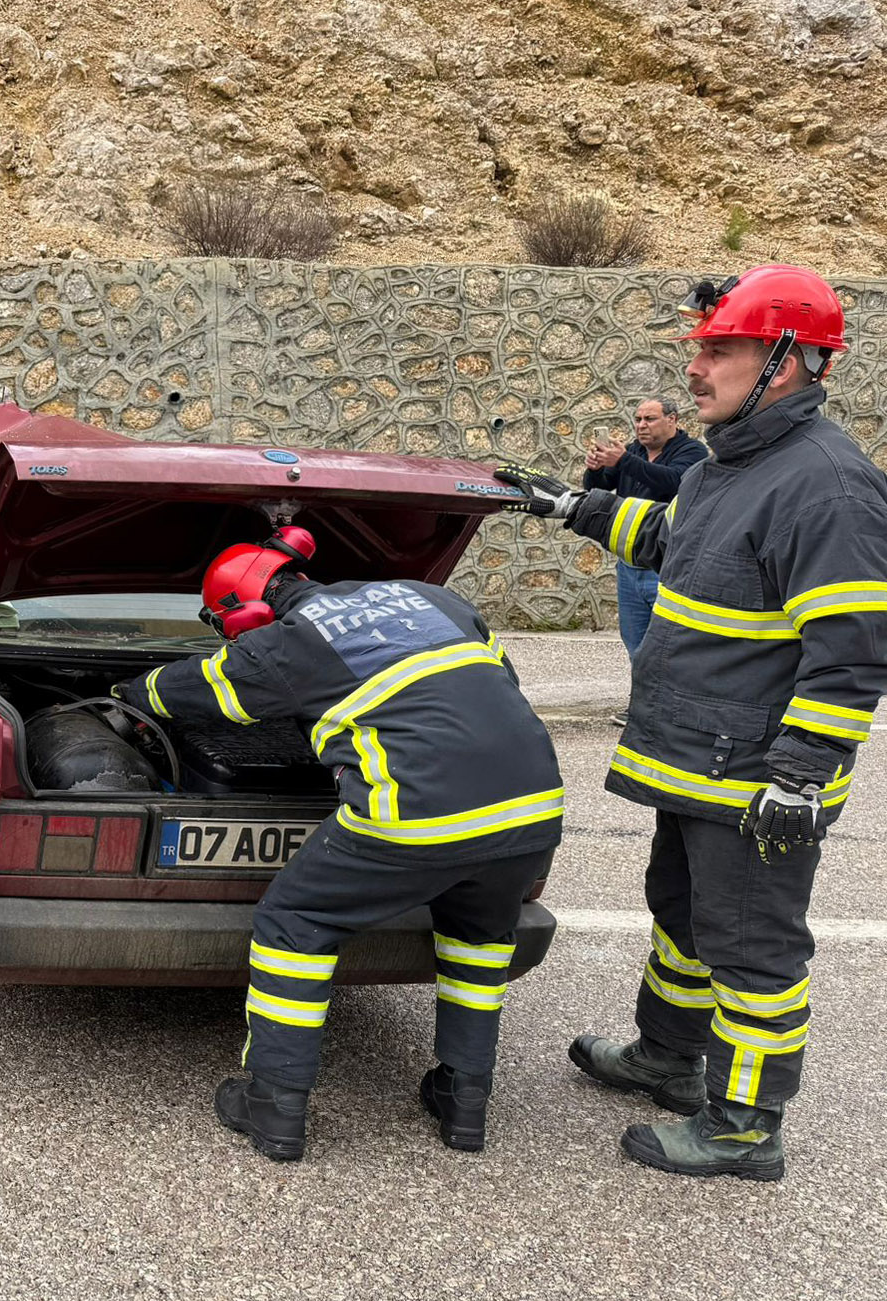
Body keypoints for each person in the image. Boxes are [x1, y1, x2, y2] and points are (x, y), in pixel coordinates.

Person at [496, 263, 887, 1181]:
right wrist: (574, 507)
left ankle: (746, 1128)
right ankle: (672, 1060)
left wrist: (797, 777)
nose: (696, 368)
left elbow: (855, 649)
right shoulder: (736, 464)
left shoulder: (826, 487)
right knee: (682, 915)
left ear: (785, 362)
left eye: (719, 350)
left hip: (756, 777)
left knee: (752, 949)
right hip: (702, 761)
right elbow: (681, 548)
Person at [114, 527, 563, 1161]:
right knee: (479, 942)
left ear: (243, 611)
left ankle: (273, 1104)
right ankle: (465, 1102)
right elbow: (483, 690)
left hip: (418, 814)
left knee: (294, 920)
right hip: (532, 805)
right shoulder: (433, 599)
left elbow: (195, 692)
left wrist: (130, 693)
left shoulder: (288, 644)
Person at [585, 398, 709, 725]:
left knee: (670, 642)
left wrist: (624, 461)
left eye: (650, 419)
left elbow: (674, 482)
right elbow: (599, 487)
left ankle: (677, 709)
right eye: (638, 418)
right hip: (629, 564)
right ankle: (643, 708)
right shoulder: (633, 453)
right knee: (636, 643)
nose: (641, 425)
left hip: (666, 565)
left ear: (672, 420)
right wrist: (595, 468)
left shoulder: (692, 453)